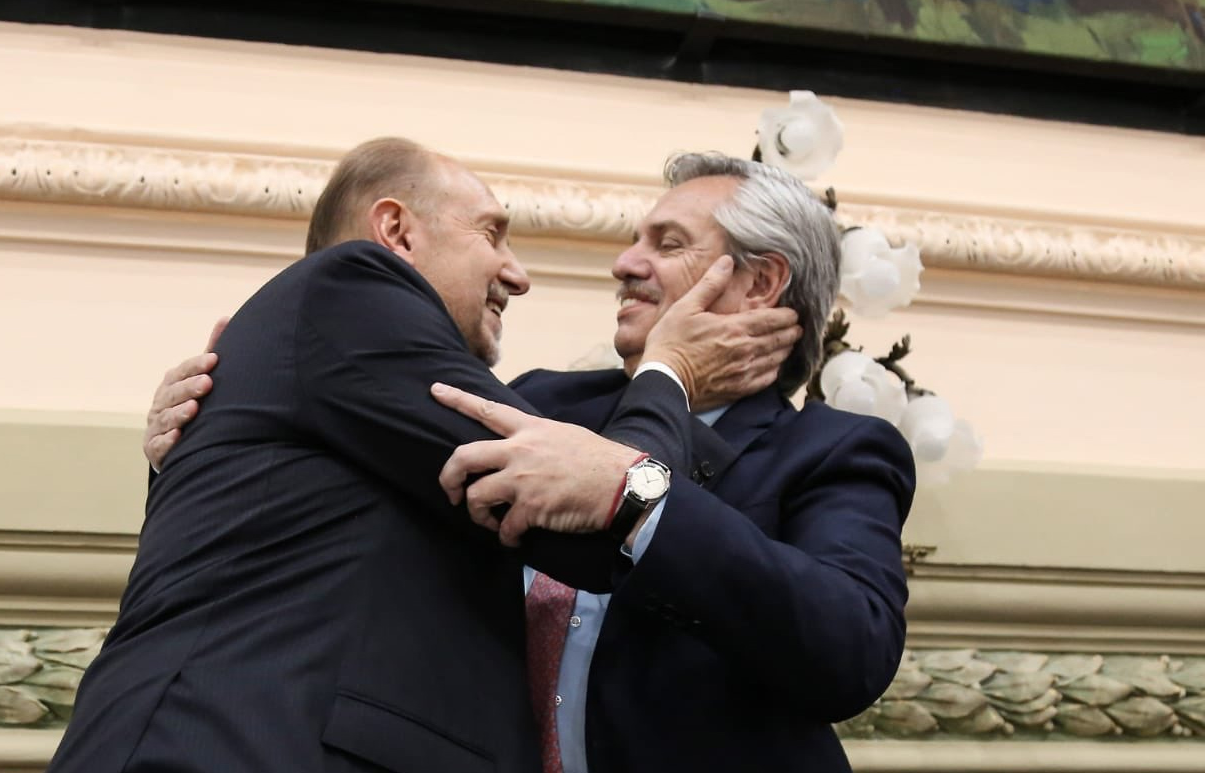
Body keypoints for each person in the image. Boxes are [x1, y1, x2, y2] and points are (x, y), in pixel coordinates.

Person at [144, 151, 915, 773]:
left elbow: (849, 646)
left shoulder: (834, 451)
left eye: (667, 244)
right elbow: (350, 492)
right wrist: (219, 419)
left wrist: (641, 499)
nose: (624, 263)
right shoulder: (540, 401)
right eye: (635, 240)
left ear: (761, 282)